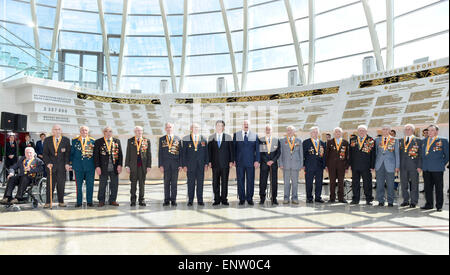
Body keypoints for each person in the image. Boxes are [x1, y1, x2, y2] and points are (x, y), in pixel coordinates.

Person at [420, 125, 449, 212]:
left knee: (439, 188)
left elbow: (447, 155)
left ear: (437, 131)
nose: (430, 132)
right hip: (426, 168)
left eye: (432, 130)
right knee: (428, 188)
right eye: (429, 131)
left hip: (437, 169)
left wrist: (441, 164)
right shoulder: (424, 141)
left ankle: (439, 206)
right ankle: (429, 204)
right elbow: (422, 155)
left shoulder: (443, 140)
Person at [43, 124, 71, 208]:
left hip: (62, 167)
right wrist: (48, 163)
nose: (57, 131)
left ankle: (61, 201)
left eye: (58, 129)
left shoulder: (66, 140)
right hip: (51, 167)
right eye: (55, 129)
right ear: (52, 131)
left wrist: (67, 163)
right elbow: (45, 154)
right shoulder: (47, 140)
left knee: (61, 185)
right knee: (50, 185)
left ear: (61, 130)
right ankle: (48, 202)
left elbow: (67, 154)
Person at [94, 126, 123, 207]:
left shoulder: (117, 141)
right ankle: (101, 200)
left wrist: (120, 165)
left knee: (114, 184)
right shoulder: (98, 142)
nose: (108, 133)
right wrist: (97, 167)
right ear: (104, 132)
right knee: (102, 185)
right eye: (106, 131)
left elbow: (120, 154)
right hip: (103, 167)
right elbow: (96, 156)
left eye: (110, 131)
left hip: (114, 167)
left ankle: (113, 200)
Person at [233, 120, 260, 206]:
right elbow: (234, 149)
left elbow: (257, 150)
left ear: (249, 126)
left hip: (251, 162)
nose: (246, 125)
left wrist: (257, 160)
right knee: (240, 181)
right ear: (242, 125)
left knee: (250, 181)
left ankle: (249, 198)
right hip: (239, 162)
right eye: (244, 124)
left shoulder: (254, 135)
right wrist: (233, 160)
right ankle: (241, 198)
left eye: (247, 124)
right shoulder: (236, 135)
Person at [208, 120, 234, 206]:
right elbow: (209, 151)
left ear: (223, 127)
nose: (219, 127)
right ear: (216, 127)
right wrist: (209, 162)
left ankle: (224, 199)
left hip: (225, 164)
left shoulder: (228, 137)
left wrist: (231, 161)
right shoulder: (211, 137)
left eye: (221, 125)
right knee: (215, 182)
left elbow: (231, 150)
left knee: (224, 182)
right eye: (218, 125)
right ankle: (216, 199)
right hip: (215, 164)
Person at [182, 123, 208, 207]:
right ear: (191, 128)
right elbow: (183, 154)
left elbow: (206, 153)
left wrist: (206, 164)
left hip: (201, 165)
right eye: (194, 127)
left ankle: (200, 200)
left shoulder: (203, 139)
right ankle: (190, 200)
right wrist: (184, 165)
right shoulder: (186, 139)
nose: (196, 129)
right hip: (190, 165)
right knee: (190, 183)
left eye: (197, 127)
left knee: (200, 183)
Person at [349, 125, 376, 205]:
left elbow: (373, 154)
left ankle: (369, 199)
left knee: (367, 183)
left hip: (366, 166)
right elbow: (350, 153)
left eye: (363, 130)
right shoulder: (353, 140)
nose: (361, 132)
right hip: (355, 165)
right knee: (355, 183)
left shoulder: (370, 140)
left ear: (366, 131)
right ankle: (355, 199)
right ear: (357, 131)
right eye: (360, 130)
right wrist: (350, 164)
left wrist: (372, 166)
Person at [125, 126, 152, 207]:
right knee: (133, 184)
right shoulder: (130, 141)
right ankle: (133, 200)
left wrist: (149, 165)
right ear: (134, 132)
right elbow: (128, 153)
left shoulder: (147, 141)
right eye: (137, 131)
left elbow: (149, 154)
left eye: (140, 131)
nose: (139, 132)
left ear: (142, 132)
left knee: (142, 184)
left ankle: (141, 200)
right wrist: (127, 165)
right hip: (133, 166)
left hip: (142, 166)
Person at [70, 126, 96, 208]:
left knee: (90, 185)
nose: (84, 131)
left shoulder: (93, 141)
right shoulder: (74, 141)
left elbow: (95, 155)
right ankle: (79, 202)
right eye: (82, 130)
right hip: (78, 166)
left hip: (90, 166)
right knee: (78, 185)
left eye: (85, 130)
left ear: (88, 132)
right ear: (80, 131)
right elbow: (72, 153)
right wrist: (71, 164)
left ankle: (89, 201)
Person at [375, 126, 400, 207]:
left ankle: (390, 201)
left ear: (389, 131)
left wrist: (397, 166)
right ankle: (380, 200)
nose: (384, 130)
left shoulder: (395, 140)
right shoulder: (377, 140)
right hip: (379, 165)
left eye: (386, 129)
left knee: (390, 184)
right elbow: (375, 153)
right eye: (383, 129)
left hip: (390, 165)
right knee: (379, 184)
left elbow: (397, 154)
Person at [158, 122, 182, 207]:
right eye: (167, 127)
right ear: (165, 129)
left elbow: (180, 153)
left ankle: (173, 200)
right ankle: (166, 200)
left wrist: (180, 164)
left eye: (170, 127)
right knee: (166, 183)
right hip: (165, 165)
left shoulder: (178, 139)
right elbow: (160, 153)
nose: (169, 129)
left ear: (173, 128)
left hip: (175, 164)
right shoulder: (162, 139)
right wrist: (160, 165)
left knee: (174, 183)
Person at [399, 124, 422, 208]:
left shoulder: (418, 141)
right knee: (404, 184)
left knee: (414, 185)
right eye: (406, 129)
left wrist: (419, 166)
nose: (407, 131)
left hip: (414, 166)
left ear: (413, 131)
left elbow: (420, 155)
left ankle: (414, 201)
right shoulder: (400, 141)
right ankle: (405, 200)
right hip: (403, 166)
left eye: (409, 129)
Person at [279, 126, 303, 205]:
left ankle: (295, 198)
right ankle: (286, 198)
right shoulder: (282, 141)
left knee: (295, 183)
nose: (289, 132)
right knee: (286, 183)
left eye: (291, 130)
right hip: (285, 165)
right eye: (288, 130)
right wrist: (281, 164)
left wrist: (301, 164)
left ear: (294, 132)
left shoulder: (298, 141)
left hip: (295, 165)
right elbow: (280, 154)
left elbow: (301, 154)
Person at [303, 126, 326, 203]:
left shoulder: (322, 143)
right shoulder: (306, 142)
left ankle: (318, 197)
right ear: (310, 133)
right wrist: (303, 165)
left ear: (318, 133)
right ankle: (309, 198)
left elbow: (324, 155)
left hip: (319, 167)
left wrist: (324, 165)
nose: (315, 133)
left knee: (319, 183)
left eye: (316, 132)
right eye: (313, 132)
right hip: (309, 166)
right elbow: (303, 154)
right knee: (309, 183)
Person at [325, 127, 349, 203]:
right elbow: (326, 154)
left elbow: (347, 155)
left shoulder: (345, 142)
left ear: (341, 133)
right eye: (336, 132)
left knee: (341, 182)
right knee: (332, 182)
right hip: (331, 165)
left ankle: (341, 198)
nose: (337, 133)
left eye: (339, 132)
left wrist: (347, 166)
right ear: (334, 133)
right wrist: (326, 165)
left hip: (342, 166)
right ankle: (332, 198)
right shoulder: (329, 142)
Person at [259, 125, 281, 205]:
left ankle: (274, 198)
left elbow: (278, 152)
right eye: (267, 130)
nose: (268, 131)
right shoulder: (261, 140)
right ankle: (262, 198)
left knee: (274, 182)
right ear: (265, 131)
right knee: (263, 182)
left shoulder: (276, 140)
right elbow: (260, 153)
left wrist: (272, 161)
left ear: (272, 131)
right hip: (264, 165)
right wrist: (266, 161)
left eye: (269, 129)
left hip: (274, 164)